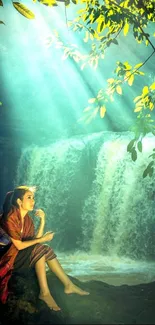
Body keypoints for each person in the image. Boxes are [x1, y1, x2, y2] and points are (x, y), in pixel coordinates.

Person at [0, 186, 89, 311]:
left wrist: (42, 220)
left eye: (33, 198)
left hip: (19, 256)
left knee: (45, 249)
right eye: (29, 198)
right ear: (19, 201)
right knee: (42, 247)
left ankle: (69, 285)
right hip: (8, 259)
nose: (33, 201)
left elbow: (34, 240)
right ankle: (45, 293)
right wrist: (42, 240)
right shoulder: (10, 218)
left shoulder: (27, 219)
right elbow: (20, 245)